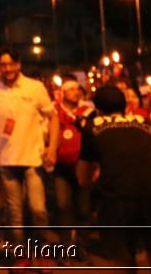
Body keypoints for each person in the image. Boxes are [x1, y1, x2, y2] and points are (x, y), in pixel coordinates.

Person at [77, 85, 151, 274]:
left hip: (116, 196)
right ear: (124, 105)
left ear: (97, 108)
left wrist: (94, 182)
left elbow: (83, 177)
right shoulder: (143, 123)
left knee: (122, 256)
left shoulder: (92, 128)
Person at [0, 47, 58, 251]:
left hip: (33, 158)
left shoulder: (35, 87)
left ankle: (43, 251)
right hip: (6, 160)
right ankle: (21, 253)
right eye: (3, 65)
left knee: (38, 209)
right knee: (15, 212)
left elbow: (53, 117)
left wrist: (52, 148)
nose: (8, 68)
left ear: (19, 64)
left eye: (11, 64)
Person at [50, 79, 92, 240]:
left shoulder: (87, 111)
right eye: (71, 89)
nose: (76, 92)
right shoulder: (55, 111)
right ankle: (66, 244)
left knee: (83, 208)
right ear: (63, 93)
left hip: (83, 165)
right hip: (61, 166)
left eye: (77, 89)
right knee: (63, 205)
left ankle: (82, 244)